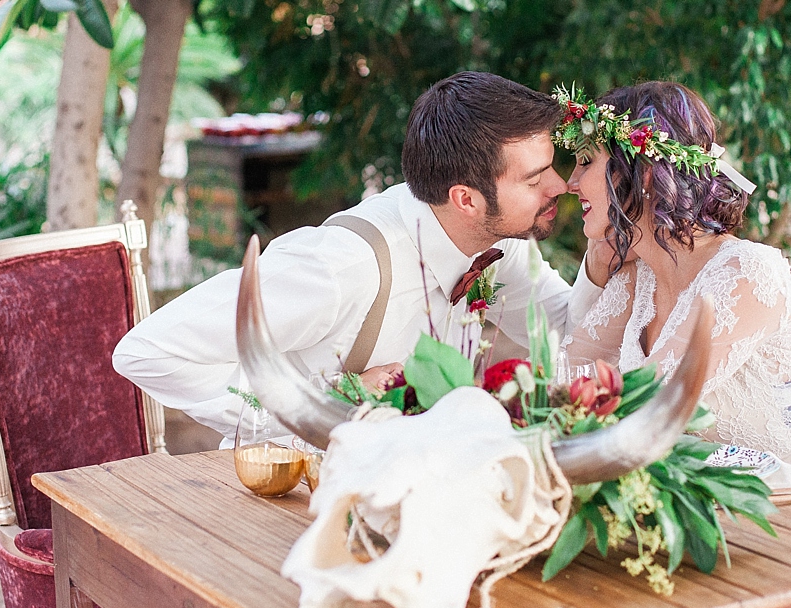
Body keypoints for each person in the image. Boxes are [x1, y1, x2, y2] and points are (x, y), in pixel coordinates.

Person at [114, 72, 605, 441]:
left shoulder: (494, 248)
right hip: (287, 508)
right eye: (535, 178)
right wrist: (328, 403)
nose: (561, 186)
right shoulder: (344, 267)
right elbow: (148, 352)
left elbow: (568, 331)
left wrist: (604, 254)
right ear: (466, 200)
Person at [558, 81, 791, 484]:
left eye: (585, 162)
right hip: (676, 504)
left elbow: (651, 411)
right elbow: (567, 380)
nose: (570, 182)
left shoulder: (745, 273)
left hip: (771, 522)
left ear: (643, 172)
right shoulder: (639, 275)